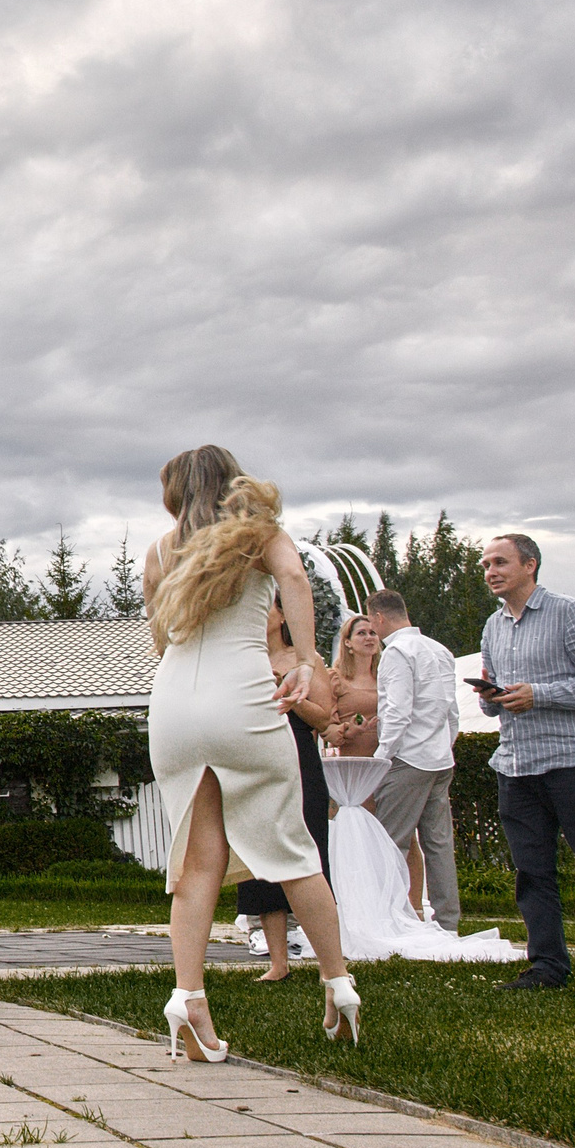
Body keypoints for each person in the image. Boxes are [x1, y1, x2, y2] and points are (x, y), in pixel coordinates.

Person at [144, 446, 356, 1063]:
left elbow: (160, 636)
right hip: (243, 693)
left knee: (196, 857)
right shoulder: (260, 535)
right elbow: (295, 579)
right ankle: (338, 984)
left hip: (175, 704)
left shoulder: (159, 551)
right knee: (291, 848)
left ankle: (188, 996)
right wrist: (308, 661)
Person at [476, 533, 575, 994]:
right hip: (514, 763)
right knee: (532, 873)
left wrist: (539, 695)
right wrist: (492, 698)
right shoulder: (492, 627)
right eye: (486, 564)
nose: (490, 571)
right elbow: (496, 702)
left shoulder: (570, 612)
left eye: (500, 562)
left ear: (530, 565)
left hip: (571, 761)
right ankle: (547, 968)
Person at [235, 601, 335, 981]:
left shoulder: (305, 659)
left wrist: (291, 693)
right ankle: (278, 962)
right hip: (254, 758)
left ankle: (328, 961)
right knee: (259, 859)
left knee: (308, 852)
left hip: (297, 756)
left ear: (282, 616)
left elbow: (324, 718)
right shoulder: (241, 658)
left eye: (268, 605)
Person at [367, 588, 462, 930]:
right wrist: (444, 746)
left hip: (408, 758)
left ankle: (389, 918)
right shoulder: (440, 650)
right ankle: (448, 921)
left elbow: (397, 711)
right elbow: (451, 711)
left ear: (379, 618)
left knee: (391, 841)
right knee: (438, 844)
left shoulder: (397, 653)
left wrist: (381, 758)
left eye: (372, 624)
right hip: (439, 759)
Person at [325, 614, 382, 758]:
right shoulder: (334, 678)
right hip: (349, 760)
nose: (369, 637)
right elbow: (325, 725)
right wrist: (348, 731)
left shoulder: (386, 677)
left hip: (387, 760)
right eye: (361, 633)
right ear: (347, 642)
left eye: (373, 633)